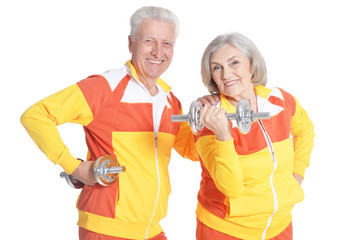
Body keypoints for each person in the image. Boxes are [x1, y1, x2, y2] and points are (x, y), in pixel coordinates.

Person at [21, 6, 203, 240]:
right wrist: (74, 167)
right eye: (149, 41)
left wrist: (213, 125)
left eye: (166, 43)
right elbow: (36, 116)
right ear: (131, 44)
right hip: (106, 229)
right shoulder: (105, 86)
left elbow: (191, 150)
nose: (158, 51)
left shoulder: (170, 101)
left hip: (151, 229)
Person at [194, 32, 315, 240]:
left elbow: (306, 131)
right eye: (217, 67)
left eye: (234, 63)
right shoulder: (208, 119)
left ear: (252, 64)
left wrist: (297, 175)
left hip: (279, 225)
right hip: (226, 230)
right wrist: (223, 134)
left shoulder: (280, 101)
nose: (226, 74)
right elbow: (230, 188)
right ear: (211, 76)